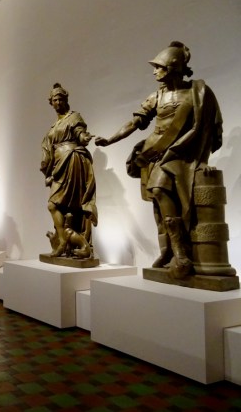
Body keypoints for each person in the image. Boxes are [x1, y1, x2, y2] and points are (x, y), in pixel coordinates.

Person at [95, 41, 223, 279]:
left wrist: (202, 159)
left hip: (183, 156)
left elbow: (207, 130)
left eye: (158, 67)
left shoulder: (198, 93)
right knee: (158, 206)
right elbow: (135, 123)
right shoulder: (157, 96)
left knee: (159, 189)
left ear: (172, 67)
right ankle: (168, 251)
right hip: (155, 154)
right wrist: (110, 140)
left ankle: (182, 254)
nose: (154, 72)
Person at [40, 83, 97, 258]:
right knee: (58, 207)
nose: (58, 102)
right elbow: (48, 150)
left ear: (65, 100)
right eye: (54, 100)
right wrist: (48, 171)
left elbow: (80, 132)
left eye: (60, 99)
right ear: (51, 103)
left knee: (59, 205)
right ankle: (67, 243)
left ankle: (67, 243)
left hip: (72, 160)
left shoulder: (74, 117)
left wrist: (84, 137)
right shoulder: (54, 126)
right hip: (58, 165)